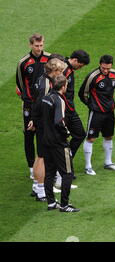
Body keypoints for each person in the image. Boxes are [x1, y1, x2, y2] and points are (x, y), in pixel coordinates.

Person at [29, 58, 66, 201]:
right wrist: (36, 120)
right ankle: (40, 190)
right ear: (54, 71)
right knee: (42, 156)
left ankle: (36, 186)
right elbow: (40, 104)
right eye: (60, 71)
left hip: (40, 122)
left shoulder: (41, 79)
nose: (61, 74)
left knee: (41, 155)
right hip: (43, 124)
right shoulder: (46, 84)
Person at [16, 33, 51, 179]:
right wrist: (28, 99)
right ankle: (31, 167)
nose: (39, 48)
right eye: (36, 46)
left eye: (41, 45)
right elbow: (20, 83)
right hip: (29, 105)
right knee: (29, 135)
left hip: (45, 104)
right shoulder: (23, 62)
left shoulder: (49, 59)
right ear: (30, 45)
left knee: (44, 134)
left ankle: (43, 165)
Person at [41, 75, 79, 212]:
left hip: (46, 140)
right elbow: (59, 121)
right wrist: (67, 133)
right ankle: (64, 205)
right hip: (58, 142)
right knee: (67, 173)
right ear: (63, 86)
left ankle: (51, 202)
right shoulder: (59, 100)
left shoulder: (45, 98)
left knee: (50, 172)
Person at [79, 55, 115, 175]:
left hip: (109, 112)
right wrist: (91, 105)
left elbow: (112, 90)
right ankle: (88, 166)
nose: (106, 71)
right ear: (100, 64)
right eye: (103, 68)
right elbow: (82, 93)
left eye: (108, 68)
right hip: (96, 112)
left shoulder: (114, 74)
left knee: (109, 136)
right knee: (91, 138)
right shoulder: (93, 76)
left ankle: (108, 162)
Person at [63, 50, 90, 158]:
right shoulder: (64, 70)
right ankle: (62, 164)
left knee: (80, 134)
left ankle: (66, 160)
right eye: (80, 65)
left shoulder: (68, 68)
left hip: (70, 109)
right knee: (62, 138)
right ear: (75, 60)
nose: (80, 68)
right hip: (64, 110)